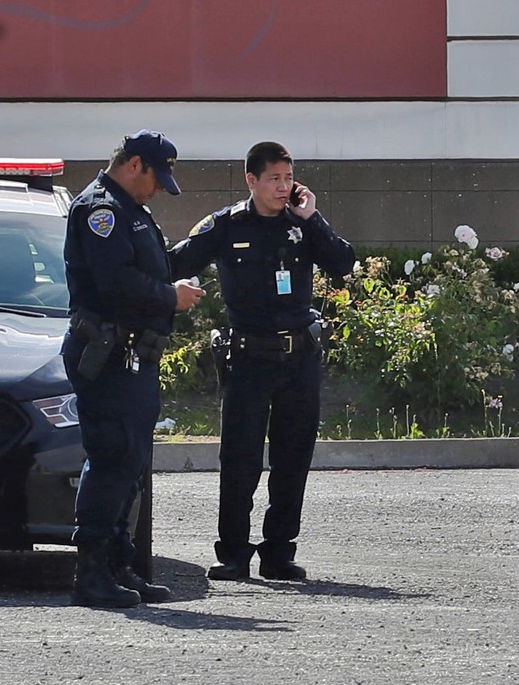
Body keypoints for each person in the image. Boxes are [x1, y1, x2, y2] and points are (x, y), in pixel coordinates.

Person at [170, 141, 355, 583]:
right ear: (251, 180)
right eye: (274, 178)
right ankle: (233, 552)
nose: (283, 187)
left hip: (298, 360)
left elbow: (343, 263)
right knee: (240, 460)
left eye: (288, 178)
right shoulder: (226, 224)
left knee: (293, 459)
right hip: (249, 357)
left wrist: (313, 218)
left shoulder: (303, 223)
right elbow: (177, 260)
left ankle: (278, 552)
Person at [64, 130, 205, 609]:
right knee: (111, 459)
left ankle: (121, 565)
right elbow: (115, 282)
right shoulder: (101, 210)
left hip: (133, 356)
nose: (160, 188)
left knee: (131, 465)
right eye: (157, 177)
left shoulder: (131, 209)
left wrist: (177, 278)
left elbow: (147, 268)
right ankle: (92, 573)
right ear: (134, 164)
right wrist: (171, 296)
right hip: (108, 356)